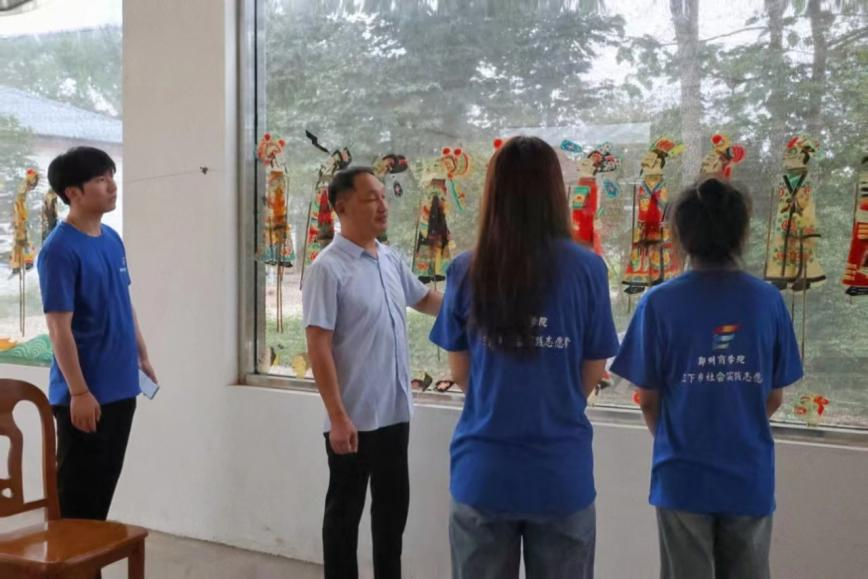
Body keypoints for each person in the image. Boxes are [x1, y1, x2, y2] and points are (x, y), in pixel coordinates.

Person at [429, 136, 619, 579]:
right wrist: (557, 401)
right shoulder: (588, 269)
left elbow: (461, 372)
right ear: (554, 192)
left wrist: (499, 395)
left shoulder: (466, 269)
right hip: (560, 473)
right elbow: (593, 368)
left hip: (484, 471)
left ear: (493, 192)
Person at [611, 178, 804, 579]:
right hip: (748, 474)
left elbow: (648, 400)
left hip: (682, 475)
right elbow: (774, 396)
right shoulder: (767, 301)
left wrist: (679, 438)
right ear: (740, 233)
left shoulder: (658, 303)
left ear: (681, 236)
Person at [302, 166, 442, 579]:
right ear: (342, 206)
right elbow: (318, 345)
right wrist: (337, 416)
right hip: (353, 418)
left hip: (395, 412)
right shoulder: (327, 268)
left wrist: (477, 305)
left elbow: (425, 299)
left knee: (391, 515)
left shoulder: (389, 258)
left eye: (383, 196)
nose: (383, 205)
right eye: (371, 198)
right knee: (344, 516)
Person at [39, 146, 157, 523]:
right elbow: (58, 328)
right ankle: (69, 558)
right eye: (101, 179)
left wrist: (141, 356)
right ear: (73, 192)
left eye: (112, 177)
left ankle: (90, 558)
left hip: (122, 387)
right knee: (77, 500)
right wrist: (78, 392)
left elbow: (123, 302)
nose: (112, 186)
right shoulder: (58, 250)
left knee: (101, 492)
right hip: (85, 395)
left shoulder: (111, 239)